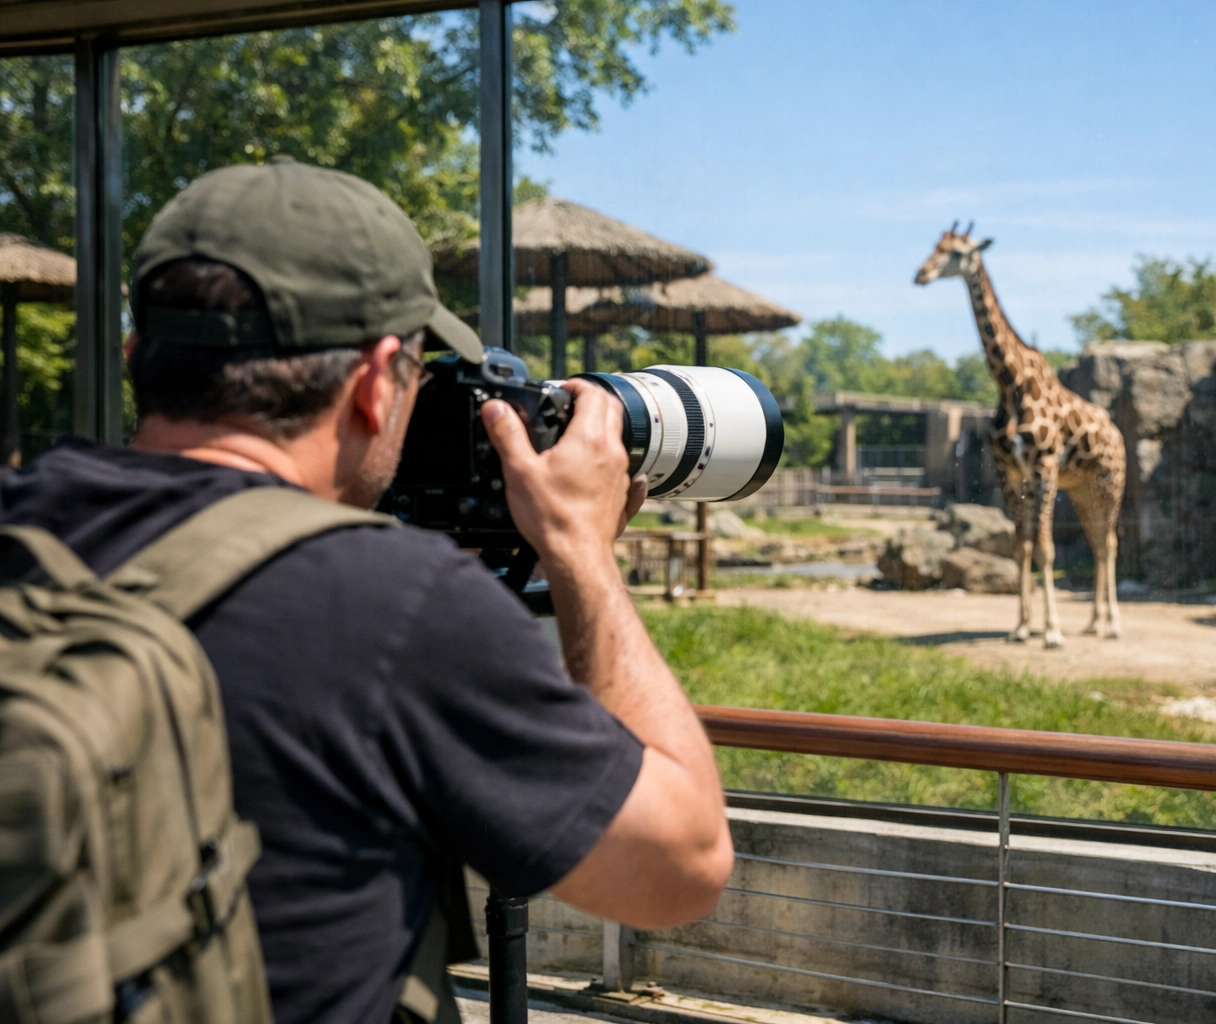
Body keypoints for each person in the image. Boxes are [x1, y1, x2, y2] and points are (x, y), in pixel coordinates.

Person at [0, 159, 733, 1024]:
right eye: (420, 374)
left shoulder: (23, 529)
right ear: (375, 381)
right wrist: (579, 546)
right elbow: (679, 866)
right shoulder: (394, 605)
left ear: (135, 359)